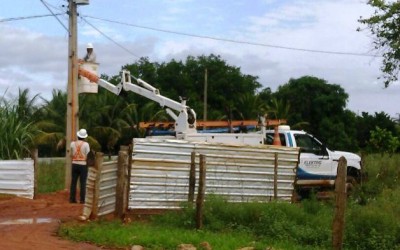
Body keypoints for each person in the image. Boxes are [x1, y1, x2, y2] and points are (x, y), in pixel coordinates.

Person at [69, 128, 91, 204]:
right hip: (83, 165)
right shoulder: (86, 145)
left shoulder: (72, 144)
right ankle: (82, 200)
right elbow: (88, 155)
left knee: (73, 182)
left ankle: (72, 199)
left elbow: (71, 154)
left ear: (78, 136)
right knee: (83, 182)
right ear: (84, 137)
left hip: (74, 164)